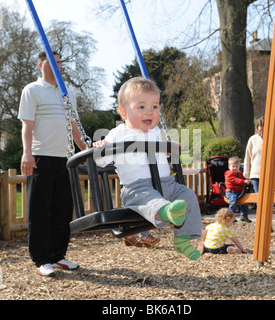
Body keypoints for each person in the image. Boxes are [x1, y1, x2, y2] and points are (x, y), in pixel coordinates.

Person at [93, 77, 202, 260]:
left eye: (155, 106)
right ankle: (167, 212)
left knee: (188, 195)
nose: (149, 112)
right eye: (141, 107)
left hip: (166, 184)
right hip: (138, 188)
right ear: (124, 112)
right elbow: (101, 162)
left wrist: (167, 148)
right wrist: (101, 148)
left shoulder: (156, 132)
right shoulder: (118, 134)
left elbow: (159, 153)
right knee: (152, 200)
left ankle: (183, 240)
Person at [18, 51, 86, 277]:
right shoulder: (32, 90)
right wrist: (27, 154)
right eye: (51, 62)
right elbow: (27, 126)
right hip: (40, 157)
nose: (57, 66)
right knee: (40, 210)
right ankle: (42, 259)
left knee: (62, 210)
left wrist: (89, 151)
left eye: (59, 62)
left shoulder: (68, 93)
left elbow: (74, 129)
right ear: (41, 65)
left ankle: (58, 255)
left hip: (66, 160)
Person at [243, 117, 275, 233]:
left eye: (264, 130)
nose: (262, 132)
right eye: (260, 130)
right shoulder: (252, 140)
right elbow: (248, 157)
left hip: (273, 174)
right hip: (256, 174)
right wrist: (246, 174)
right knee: (260, 201)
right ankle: (265, 225)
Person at [224, 156, 252, 223]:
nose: (235, 168)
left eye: (236, 166)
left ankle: (244, 216)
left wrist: (247, 180)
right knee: (233, 202)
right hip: (231, 192)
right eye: (233, 166)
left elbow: (243, 178)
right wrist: (243, 181)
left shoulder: (239, 173)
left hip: (239, 191)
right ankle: (231, 217)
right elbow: (235, 180)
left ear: (239, 167)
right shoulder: (229, 174)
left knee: (244, 201)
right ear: (229, 167)